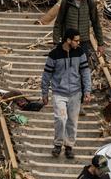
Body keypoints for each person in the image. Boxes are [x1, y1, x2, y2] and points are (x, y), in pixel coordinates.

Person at [40, 29, 93, 159]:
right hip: (59, 93)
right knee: (60, 119)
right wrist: (45, 93)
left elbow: (85, 72)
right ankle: (58, 144)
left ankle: (69, 146)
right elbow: (46, 75)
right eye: (76, 40)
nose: (78, 43)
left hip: (76, 93)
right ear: (68, 40)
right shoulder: (54, 54)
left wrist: (87, 91)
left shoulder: (80, 53)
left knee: (72, 121)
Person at [37, 0, 105, 60]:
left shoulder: (89, 2)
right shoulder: (66, 1)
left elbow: (96, 23)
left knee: (83, 67)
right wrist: (56, 42)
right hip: (68, 42)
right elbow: (59, 22)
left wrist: (100, 44)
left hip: (83, 41)